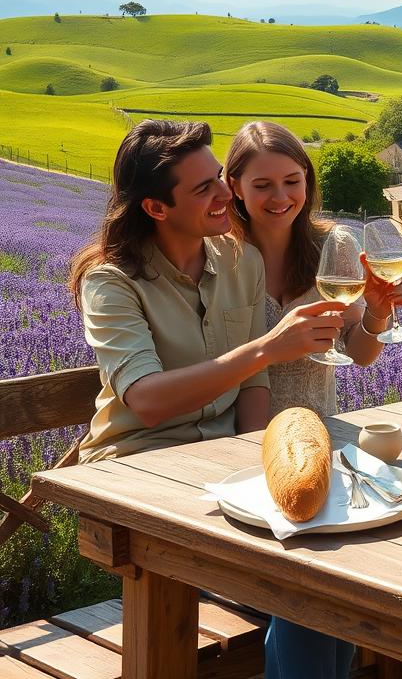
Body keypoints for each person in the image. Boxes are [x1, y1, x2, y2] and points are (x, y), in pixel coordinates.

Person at [222, 121, 402, 679]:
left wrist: (379, 315)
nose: (281, 196)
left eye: (293, 181)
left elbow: (356, 351)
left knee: (328, 565)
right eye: (263, 184)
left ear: (308, 182)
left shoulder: (335, 245)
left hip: (315, 436)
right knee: (319, 571)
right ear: (235, 188)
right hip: (234, 440)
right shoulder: (221, 254)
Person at [70, 119, 347, 464]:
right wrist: (267, 348)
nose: (226, 194)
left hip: (221, 453)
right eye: (204, 189)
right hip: (136, 456)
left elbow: (252, 385)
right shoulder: (112, 283)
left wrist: (259, 462)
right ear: (156, 208)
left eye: (218, 176)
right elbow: (147, 400)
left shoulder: (243, 261)